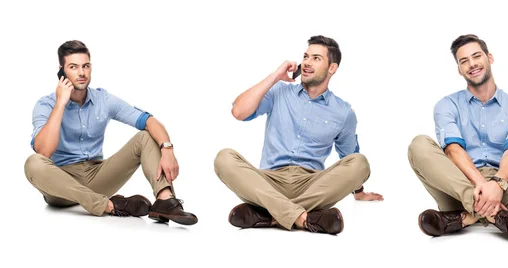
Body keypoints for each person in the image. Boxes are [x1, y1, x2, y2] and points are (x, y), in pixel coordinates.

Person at [214, 35, 383, 235]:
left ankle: (267, 214)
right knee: (224, 158)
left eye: (316, 58)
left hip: (312, 185)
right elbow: (239, 112)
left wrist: (359, 191)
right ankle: (305, 218)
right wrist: (275, 76)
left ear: (332, 68)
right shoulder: (278, 92)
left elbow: (349, 157)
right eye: (305, 56)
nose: (307, 63)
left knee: (361, 163)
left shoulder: (343, 112)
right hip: (269, 180)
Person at [408, 34, 508, 241]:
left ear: (489, 58)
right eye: (464, 61)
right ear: (459, 69)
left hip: (506, 185)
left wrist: (497, 185)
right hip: (457, 184)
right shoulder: (446, 105)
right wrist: (482, 185)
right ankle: (498, 216)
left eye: (476, 56)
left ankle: (461, 219)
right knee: (418, 145)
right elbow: (453, 150)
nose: (472, 64)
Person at [24, 40, 197, 225]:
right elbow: (44, 152)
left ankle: (164, 200)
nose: (81, 73)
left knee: (146, 137)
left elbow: (149, 121)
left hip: (97, 174)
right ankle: (109, 206)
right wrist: (60, 103)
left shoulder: (103, 99)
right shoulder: (45, 105)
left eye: (86, 66)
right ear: (61, 70)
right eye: (73, 67)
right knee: (32, 163)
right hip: (60, 186)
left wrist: (167, 149)